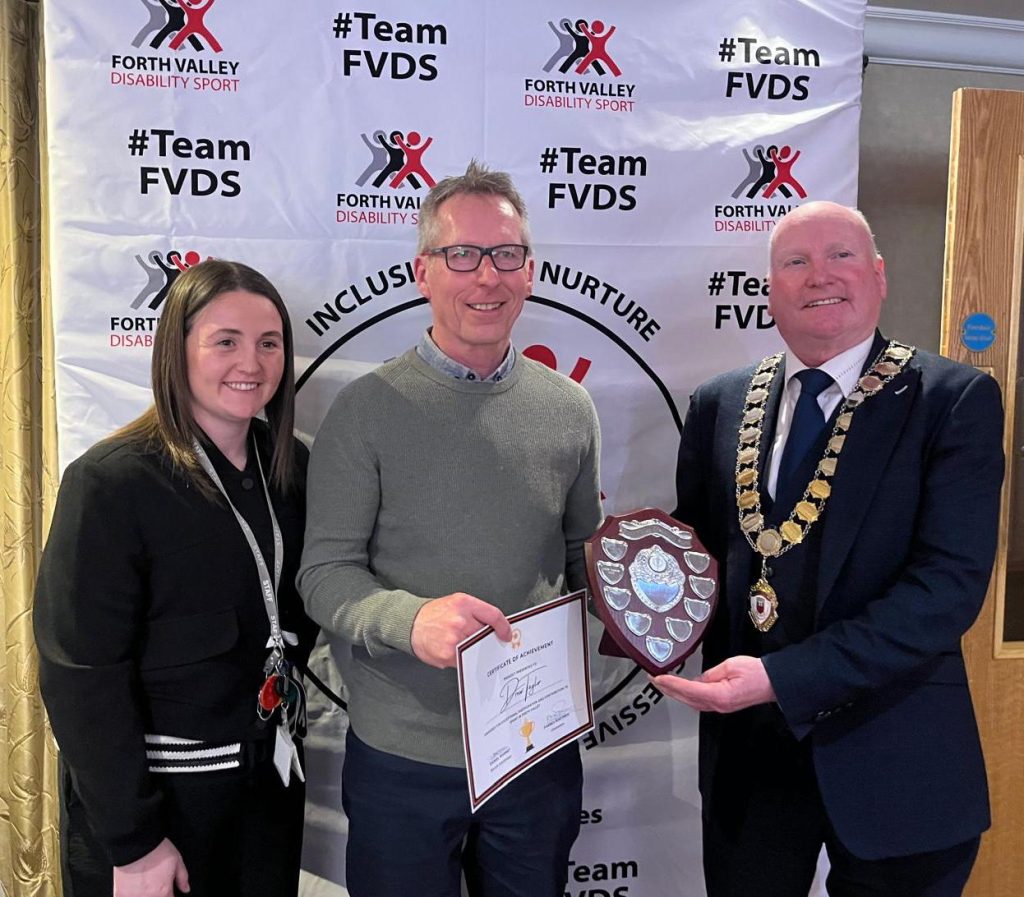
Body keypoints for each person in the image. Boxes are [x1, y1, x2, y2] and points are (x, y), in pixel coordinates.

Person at [656, 201, 1003, 897]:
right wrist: (633, 594)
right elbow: (698, 558)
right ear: (770, 290)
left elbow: (945, 592)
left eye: (841, 255)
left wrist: (783, 678)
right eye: (796, 261)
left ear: (878, 275)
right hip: (752, 763)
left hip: (897, 760)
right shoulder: (719, 402)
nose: (820, 275)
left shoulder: (953, 401)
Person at [298, 160, 602, 897]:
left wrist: (647, 610)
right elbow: (324, 575)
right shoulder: (364, 411)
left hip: (534, 748)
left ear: (530, 271)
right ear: (423, 272)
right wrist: (410, 621)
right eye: (461, 254)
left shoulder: (570, 409)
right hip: (403, 755)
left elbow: (581, 559)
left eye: (506, 254)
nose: (487, 276)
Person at [34, 260, 318, 897]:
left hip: (266, 796)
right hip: (161, 814)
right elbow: (80, 674)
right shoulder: (112, 481)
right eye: (225, 342)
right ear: (175, 351)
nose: (251, 363)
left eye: (268, 343)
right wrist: (133, 841)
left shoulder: (291, 468)